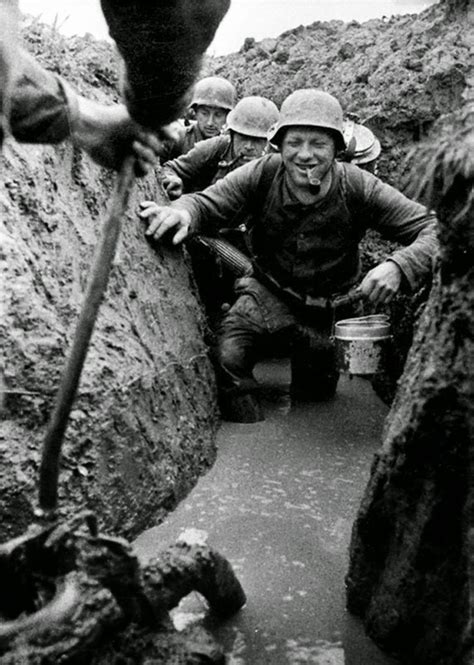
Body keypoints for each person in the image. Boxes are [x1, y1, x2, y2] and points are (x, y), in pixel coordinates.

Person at [139, 89, 438, 423]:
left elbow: (436, 229)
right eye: (294, 142)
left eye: (318, 144)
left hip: (329, 313)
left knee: (315, 405)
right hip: (268, 296)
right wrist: (182, 212)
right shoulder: (263, 173)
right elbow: (205, 203)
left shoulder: (358, 186)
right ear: (279, 144)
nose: (305, 155)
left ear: (336, 150)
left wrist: (399, 266)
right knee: (227, 358)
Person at [1, 0, 230, 171]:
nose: (210, 121)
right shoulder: (183, 138)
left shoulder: (224, 147)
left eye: (218, 115)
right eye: (206, 112)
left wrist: (88, 122)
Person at [160, 95, 279, 198]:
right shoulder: (217, 147)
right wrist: (172, 179)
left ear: (269, 140)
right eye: (242, 137)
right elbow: (170, 168)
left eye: (257, 140)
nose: (249, 146)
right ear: (232, 134)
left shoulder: (278, 162)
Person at [160, 76, 237, 161]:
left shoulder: (232, 145)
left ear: (228, 116)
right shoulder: (178, 139)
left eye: (218, 115)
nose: (210, 123)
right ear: (195, 112)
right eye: (204, 114)